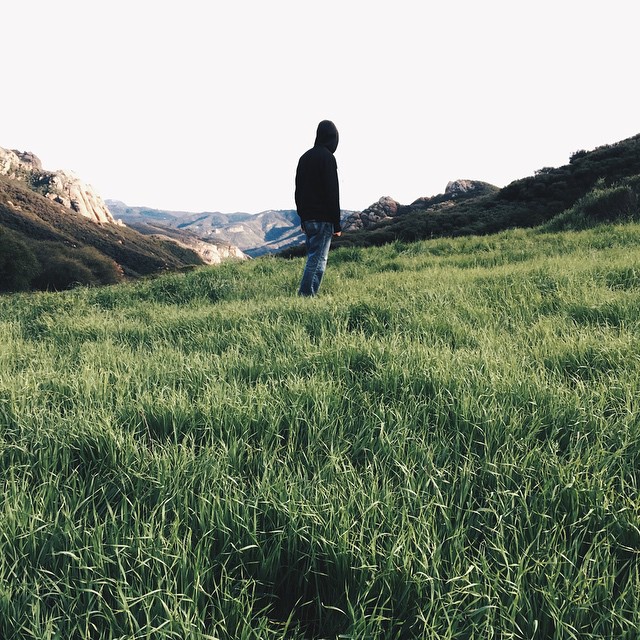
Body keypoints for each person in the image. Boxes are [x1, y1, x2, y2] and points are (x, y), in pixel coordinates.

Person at [295, 120, 342, 296]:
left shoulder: (304, 158)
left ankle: (306, 295)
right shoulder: (327, 158)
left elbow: (298, 191)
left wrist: (302, 218)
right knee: (318, 260)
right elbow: (332, 192)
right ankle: (306, 297)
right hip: (323, 219)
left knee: (312, 258)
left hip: (308, 219)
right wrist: (336, 224)